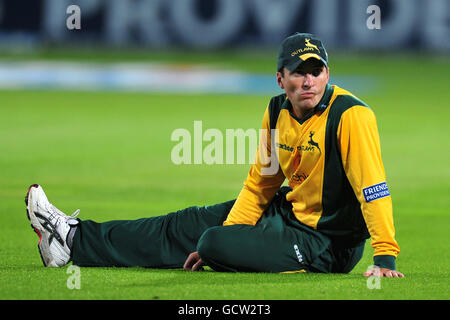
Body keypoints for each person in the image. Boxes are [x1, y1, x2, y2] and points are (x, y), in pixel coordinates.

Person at [25, 33, 404, 277]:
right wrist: (233, 233)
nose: (308, 80)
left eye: (316, 71)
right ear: (280, 78)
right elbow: (260, 185)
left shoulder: (351, 116)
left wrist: (384, 256)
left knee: (209, 244)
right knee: (186, 225)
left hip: (327, 245)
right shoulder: (277, 111)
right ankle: (71, 240)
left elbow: (372, 187)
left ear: (327, 74)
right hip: (289, 214)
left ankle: (225, 250)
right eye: (298, 71)